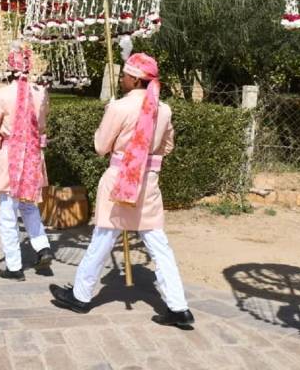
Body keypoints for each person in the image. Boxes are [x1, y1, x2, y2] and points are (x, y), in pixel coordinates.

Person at [50, 53, 194, 328]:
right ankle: (178, 306)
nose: (122, 78)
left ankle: (80, 295)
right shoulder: (163, 110)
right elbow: (168, 146)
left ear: (136, 79)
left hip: (120, 179)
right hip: (149, 180)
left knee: (103, 237)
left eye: (125, 75)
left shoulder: (118, 107)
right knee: (158, 243)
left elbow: (101, 146)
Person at [0, 43, 54, 280]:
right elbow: (42, 125)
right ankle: (42, 246)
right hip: (33, 152)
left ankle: (14, 265)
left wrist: (1, 146)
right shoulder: (40, 93)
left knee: (8, 209)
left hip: (11, 152)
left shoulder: (0, 94)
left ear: (9, 66)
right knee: (29, 205)